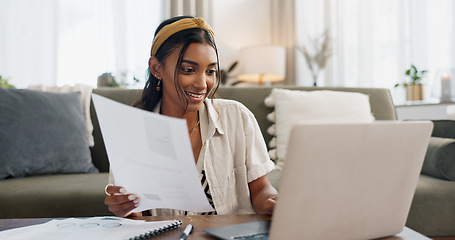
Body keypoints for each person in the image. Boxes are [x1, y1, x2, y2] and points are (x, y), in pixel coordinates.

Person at [104, 16, 278, 217]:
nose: (202, 83)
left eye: (210, 71)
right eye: (188, 70)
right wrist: (126, 209)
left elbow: (259, 189)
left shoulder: (237, 117)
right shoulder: (133, 132)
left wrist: (271, 199)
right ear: (156, 68)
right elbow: (138, 217)